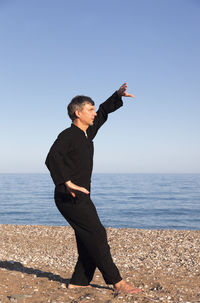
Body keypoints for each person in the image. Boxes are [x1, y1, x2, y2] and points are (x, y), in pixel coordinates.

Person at [45, 83, 142, 294]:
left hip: (81, 195)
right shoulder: (68, 135)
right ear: (77, 113)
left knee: (88, 237)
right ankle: (117, 282)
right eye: (90, 109)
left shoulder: (87, 133)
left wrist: (117, 95)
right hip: (68, 196)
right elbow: (52, 158)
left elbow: (104, 112)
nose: (94, 113)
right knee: (97, 235)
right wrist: (66, 182)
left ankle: (79, 280)